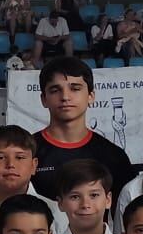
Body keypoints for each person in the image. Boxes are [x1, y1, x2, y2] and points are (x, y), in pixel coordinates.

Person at [28, 59, 135, 199]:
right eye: (55, 90)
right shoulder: (27, 153)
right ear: (44, 99)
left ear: (91, 96)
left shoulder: (114, 156)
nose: (65, 97)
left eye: (75, 88)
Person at [0, 125, 39, 221]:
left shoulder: (56, 211)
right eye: (0, 157)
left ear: (33, 165)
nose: (11, 164)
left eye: (20, 157)